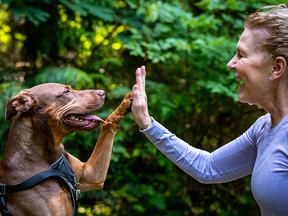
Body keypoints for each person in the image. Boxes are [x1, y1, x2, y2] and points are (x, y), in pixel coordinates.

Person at [131, 4, 288, 216]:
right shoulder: (264, 128)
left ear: (277, 68)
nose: (230, 63)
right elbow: (208, 167)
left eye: (241, 55)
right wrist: (147, 123)